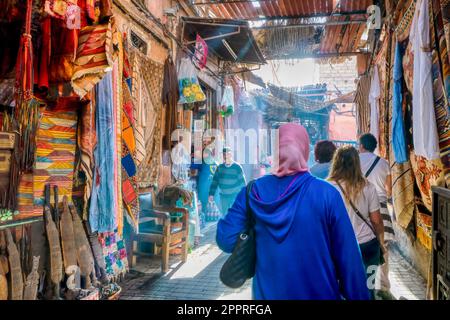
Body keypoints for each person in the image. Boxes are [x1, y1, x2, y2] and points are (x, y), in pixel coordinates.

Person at [216, 123, 370, 300]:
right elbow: (349, 259)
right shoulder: (327, 195)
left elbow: (226, 240)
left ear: (275, 150)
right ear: (304, 150)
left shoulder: (252, 192)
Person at [328, 145, 386, 299]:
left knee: (341, 289)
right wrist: (381, 242)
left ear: (336, 162)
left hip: (338, 247)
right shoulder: (368, 187)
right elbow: (377, 221)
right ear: (357, 163)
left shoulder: (327, 188)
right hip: (368, 246)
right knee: (368, 289)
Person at [358, 133, 395, 300]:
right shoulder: (384, 163)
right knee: (383, 247)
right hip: (381, 207)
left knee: (363, 246)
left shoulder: (354, 161)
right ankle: (383, 286)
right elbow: (389, 190)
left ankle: (363, 284)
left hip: (360, 207)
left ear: (361, 146)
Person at [209, 147, 246, 217]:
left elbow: (242, 183)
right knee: (225, 215)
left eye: (228, 154)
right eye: (224, 155)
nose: (226, 156)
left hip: (234, 195)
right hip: (224, 196)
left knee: (234, 214)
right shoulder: (220, 167)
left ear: (231, 155)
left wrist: (243, 195)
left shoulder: (237, 167)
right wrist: (211, 194)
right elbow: (215, 181)